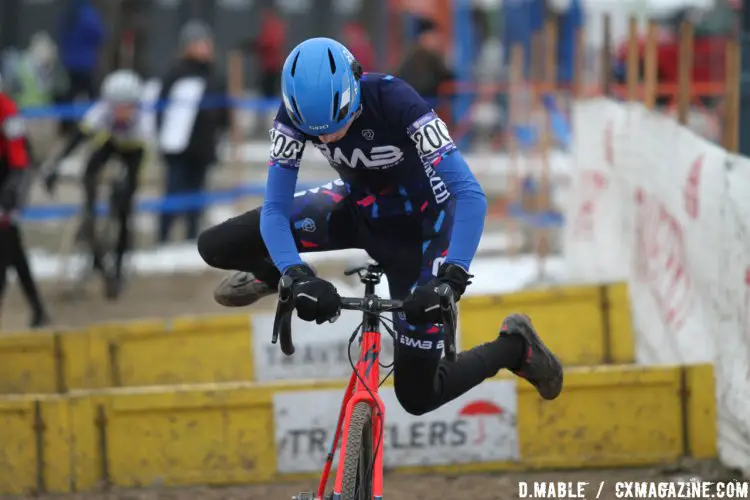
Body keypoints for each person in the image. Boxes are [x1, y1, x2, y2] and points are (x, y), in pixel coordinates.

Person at [197, 38, 563, 416]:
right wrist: (297, 274)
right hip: (355, 210)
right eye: (315, 133)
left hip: (423, 233)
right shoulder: (295, 113)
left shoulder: (396, 99)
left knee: (418, 396)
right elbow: (274, 209)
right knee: (217, 245)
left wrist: (451, 279)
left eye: (335, 125)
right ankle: (273, 275)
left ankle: (516, 347)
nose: (325, 139)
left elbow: (470, 195)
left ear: (353, 87)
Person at [44, 69, 146, 300]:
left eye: (125, 106)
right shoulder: (101, 112)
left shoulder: (144, 120)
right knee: (88, 176)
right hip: (109, 144)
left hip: (134, 151)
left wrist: (128, 186)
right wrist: (55, 166)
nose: (120, 112)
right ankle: (93, 241)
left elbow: (142, 160)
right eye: (115, 106)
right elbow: (77, 139)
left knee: (123, 209)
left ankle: (118, 269)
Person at [156, 20, 222, 243]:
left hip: (202, 147)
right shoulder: (176, 74)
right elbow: (162, 110)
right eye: (201, 43)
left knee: (197, 195)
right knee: (173, 193)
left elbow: (220, 110)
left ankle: (192, 238)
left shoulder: (212, 75)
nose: (206, 47)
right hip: (179, 148)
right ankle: (163, 237)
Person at [0, 72, 50, 328]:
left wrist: (10, 196)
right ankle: (39, 309)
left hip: (12, 175)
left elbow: (19, 157)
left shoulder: (6, 108)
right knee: (12, 247)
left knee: (4, 241)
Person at [56, 0, 106, 136]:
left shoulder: (70, 12)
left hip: (69, 61)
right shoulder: (87, 12)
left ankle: (66, 125)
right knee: (93, 94)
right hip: (84, 62)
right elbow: (98, 34)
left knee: (70, 94)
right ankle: (96, 124)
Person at [396, 17, 454, 105]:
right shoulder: (429, 55)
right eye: (434, 35)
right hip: (426, 99)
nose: (437, 40)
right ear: (425, 36)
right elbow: (447, 75)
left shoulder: (410, 54)